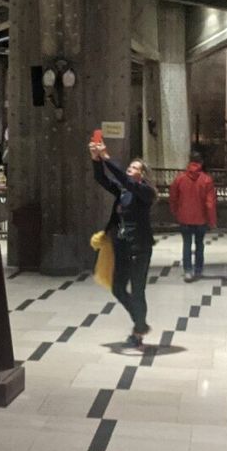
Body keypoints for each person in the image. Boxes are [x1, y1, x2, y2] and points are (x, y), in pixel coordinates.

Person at [91, 141, 155, 345]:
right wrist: (96, 160)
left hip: (139, 248)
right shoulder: (123, 191)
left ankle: (138, 331)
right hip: (122, 246)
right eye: (130, 166)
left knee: (137, 291)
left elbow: (125, 180)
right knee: (118, 288)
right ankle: (140, 322)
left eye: (135, 167)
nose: (130, 168)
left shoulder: (146, 192)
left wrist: (106, 157)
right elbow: (102, 179)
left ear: (142, 175)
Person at [167, 153, 217, 282]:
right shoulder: (207, 180)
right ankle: (198, 270)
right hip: (201, 219)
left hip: (184, 218)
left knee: (187, 244)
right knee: (199, 244)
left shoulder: (180, 178)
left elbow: (173, 198)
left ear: (189, 161)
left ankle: (188, 271)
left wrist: (175, 212)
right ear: (201, 162)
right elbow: (210, 203)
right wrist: (212, 220)